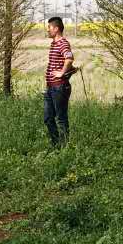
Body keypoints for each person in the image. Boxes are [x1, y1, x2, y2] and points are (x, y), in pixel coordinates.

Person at [44, 16, 75, 147]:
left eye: (50, 28)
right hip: (51, 88)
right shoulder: (54, 43)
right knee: (48, 118)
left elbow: (69, 58)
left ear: (56, 29)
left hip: (59, 88)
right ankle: (56, 144)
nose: (48, 30)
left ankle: (64, 147)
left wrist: (62, 72)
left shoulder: (63, 43)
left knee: (61, 119)